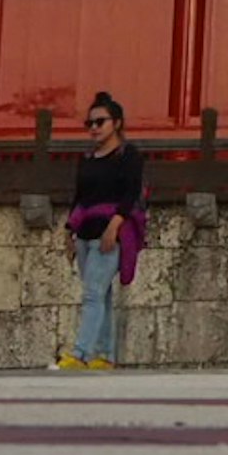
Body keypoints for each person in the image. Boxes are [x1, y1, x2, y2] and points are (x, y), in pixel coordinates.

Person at [61, 92, 148, 370]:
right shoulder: (87, 159)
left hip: (111, 231)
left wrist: (116, 225)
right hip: (85, 231)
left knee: (92, 293)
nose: (94, 128)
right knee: (102, 295)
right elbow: (80, 196)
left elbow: (132, 192)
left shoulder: (128, 155)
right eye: (90, 123)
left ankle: (81, 352)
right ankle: (105, 355)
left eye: (100, 122)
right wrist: (68, 231)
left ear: (117, 123)